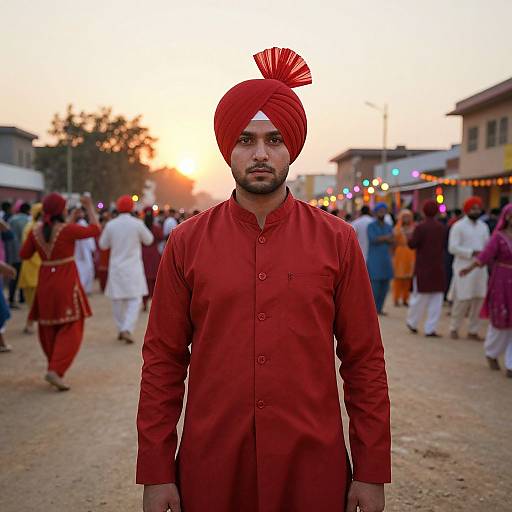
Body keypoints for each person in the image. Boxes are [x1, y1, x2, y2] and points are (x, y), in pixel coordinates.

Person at [137, 48, 390, 512]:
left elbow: (364, 362)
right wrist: (156, 472)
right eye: (246, 140)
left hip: (312, 465)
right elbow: (163, 361)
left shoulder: (337, 240)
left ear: (291, 147)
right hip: (211, 465)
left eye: (274, 140)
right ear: (226, 149)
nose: (259, 154)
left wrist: (371, 470)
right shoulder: (187, 243)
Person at [19, 193, 100, 390]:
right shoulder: (67, 230)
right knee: (72, 326)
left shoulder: (36, 232)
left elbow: (24, 254)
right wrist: (89, 206)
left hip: (45, 281)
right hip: (65, 282)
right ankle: (55, 370)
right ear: (61, 210)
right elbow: (95, 229)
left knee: (48, 326)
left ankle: (52, 367)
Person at [460, 204, 512, 377]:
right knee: (500, 320)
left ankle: (510, 364)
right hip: (502, 281)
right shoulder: (498, 237)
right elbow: (485, 256)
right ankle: (492, 352)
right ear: (507, 217)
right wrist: (468, 269)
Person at [99, 195, 154, 344]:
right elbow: (149, 240)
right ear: (132, 208)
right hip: (133, 268)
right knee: (135, 299)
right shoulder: (137, 224)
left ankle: (121, 328)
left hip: (116, 267)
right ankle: (127, 329)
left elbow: (103, 244)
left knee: (117, 300)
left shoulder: (111, 225)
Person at [448, 196, 490, 340]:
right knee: (462, 299)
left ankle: (473, 330)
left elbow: (488, 246)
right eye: (473, 208)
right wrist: (471, 252)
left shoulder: (483, 227)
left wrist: (483, 255)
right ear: (466, 210)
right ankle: (454, 328)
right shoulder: (458, 226)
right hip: (463, 267)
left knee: (479, 299)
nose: (476, 211)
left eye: (478, 208)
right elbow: (452, 247)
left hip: (480, 267)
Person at [406, 200, 447, 337]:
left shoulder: (420, 227)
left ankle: (412, 322)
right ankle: (430, 328)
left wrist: (409, 235)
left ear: (423, 211)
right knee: (436, 299)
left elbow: (412, 244)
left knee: (419, 297)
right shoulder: (442, 227)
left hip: (423, 266)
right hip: (438, 267)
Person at [18, 203, 43, 334]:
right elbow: (28, 251)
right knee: (33, 300)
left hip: (36, 268)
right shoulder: (32, 228)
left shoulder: (35, 227)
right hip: (33, 268)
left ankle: (31, 323)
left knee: (36, 300)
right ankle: (29, 324)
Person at [367, 202, 394, 315]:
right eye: (380, 211)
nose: (382, 213)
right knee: (375, 287)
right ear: (376, 213)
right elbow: (373, 239)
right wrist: (385, 238)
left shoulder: (388, 226)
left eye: (384, 211)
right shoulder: (371, 226)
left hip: (386, 260)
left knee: (385, 287)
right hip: (374, 260)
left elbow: (392, 240)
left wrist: (384, 239)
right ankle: (372, 310)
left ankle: (380, 308)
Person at [7, 202, 30, 307]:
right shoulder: (28, 220)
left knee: (13, 276)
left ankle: (11, 298)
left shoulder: (12, 220)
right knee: (23, 275)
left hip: (12, 252)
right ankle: (22, 297)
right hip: (24, 252)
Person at [141, 207, 164, 311]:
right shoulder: (156, 228)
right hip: (154, 254)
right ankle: (154, 303)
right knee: (154, 279)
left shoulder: (141, 227)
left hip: (143, 254)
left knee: (144, 279)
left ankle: (144, 302)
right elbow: (161, 237)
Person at [392, 209, 415, 307]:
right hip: (400, 253)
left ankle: (406, 299)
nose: (406, 218)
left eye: (408, 216)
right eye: (404, 216)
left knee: (408, 278)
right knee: (398, 278)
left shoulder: (413, 228)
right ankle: (396, 298)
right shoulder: (397, 229)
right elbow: (394, 241)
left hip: (411, 253)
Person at [73, 208, 97, 295]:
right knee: (83, 270)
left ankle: (85, 289)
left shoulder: (83, 223)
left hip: (83, 252)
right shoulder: (75, 225)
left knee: (87, 270)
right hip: (78, 253)